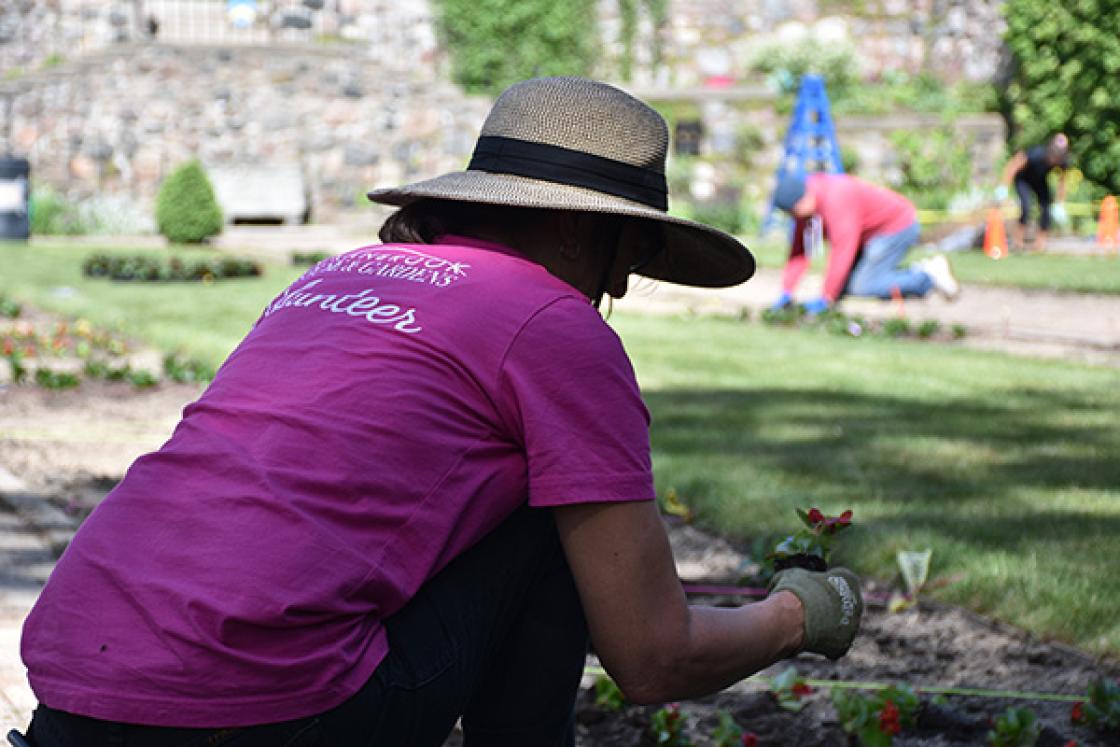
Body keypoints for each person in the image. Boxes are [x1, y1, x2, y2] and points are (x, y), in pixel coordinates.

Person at [18, 77, 863, 747]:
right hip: (258, 711)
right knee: (552, 523)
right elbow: (651, 656)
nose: (622, 284)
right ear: (577, 230)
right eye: (632, 248)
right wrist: (802, 614)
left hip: (74, 682)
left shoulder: (337, 273)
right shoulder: (555, 325)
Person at [769, 171, 960, 315]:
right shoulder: (807, 208)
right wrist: (786, 291)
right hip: (869, 236)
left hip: (896, 227)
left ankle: (926, 276)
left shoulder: (836, 198)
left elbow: (843, 250)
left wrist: (826, 298)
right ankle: (905, 274)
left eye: (793, 213)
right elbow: (800, 252)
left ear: (801, 202)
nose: (794, 219)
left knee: (864, 286)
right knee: (845, 287)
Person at [998, 133, 1070, 252]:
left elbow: (1062, 181)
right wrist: (1004, 186)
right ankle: (1018, 242)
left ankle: (1040, 243)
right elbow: (1014, 165)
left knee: (1047, 207)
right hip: (1023, 179)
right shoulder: (1037, 153)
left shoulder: (1062, 161)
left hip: (1039, 180)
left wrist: (1060, 203)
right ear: (1050, 152)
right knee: (1026, 207)